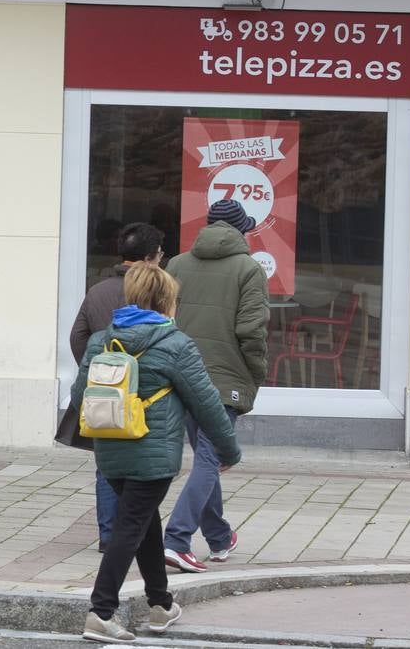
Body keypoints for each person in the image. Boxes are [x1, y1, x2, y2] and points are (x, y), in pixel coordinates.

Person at [72, 264, 240, 643]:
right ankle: (100, 612)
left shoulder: (101, 341)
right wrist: (229, 449)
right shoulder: (175, 345)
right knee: (130, 527)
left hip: (111, 452)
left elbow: (79, 397)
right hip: (154, 454)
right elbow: (208, 404)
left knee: (144, 524)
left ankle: (161, 604)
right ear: (167, 302)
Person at [162, 198, 269, 574]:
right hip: (223, 378)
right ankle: (176, 539)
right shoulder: (249, 269)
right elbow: (250, 331)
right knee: (211, 458)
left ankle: (220, 537)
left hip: (180, 373)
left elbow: (164, 322)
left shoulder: (175, 264)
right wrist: (255, 374)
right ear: (243, 230)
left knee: (205, 459)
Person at [69, 223, 164, 553]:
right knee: (144, 467)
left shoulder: (97, 291)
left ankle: (109, 535)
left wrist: (98, 371)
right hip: (148, 395)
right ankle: (137, 534)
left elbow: (78, 337)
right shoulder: (157, 292)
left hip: (106, 391)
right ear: (151, 258)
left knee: (106, 464)